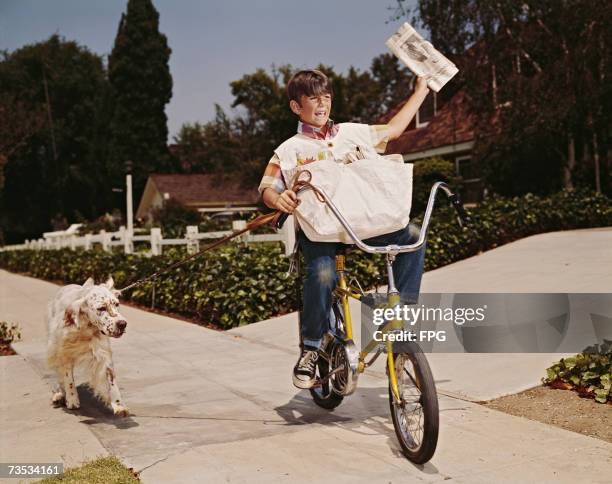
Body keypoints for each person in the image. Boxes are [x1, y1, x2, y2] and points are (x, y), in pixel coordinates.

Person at [259, 69, 430, 389]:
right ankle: (311, 346)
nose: (322, 104)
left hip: (360, 223)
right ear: (296, 107)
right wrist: (277, 198)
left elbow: (393, 129)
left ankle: (401, 317)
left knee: (411, 235)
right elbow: (268, 187)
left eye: (326, 97)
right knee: (322, 273)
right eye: (313, 98)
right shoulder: (289, 149)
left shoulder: (353, 133)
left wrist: (421, 89)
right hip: (321, 230)